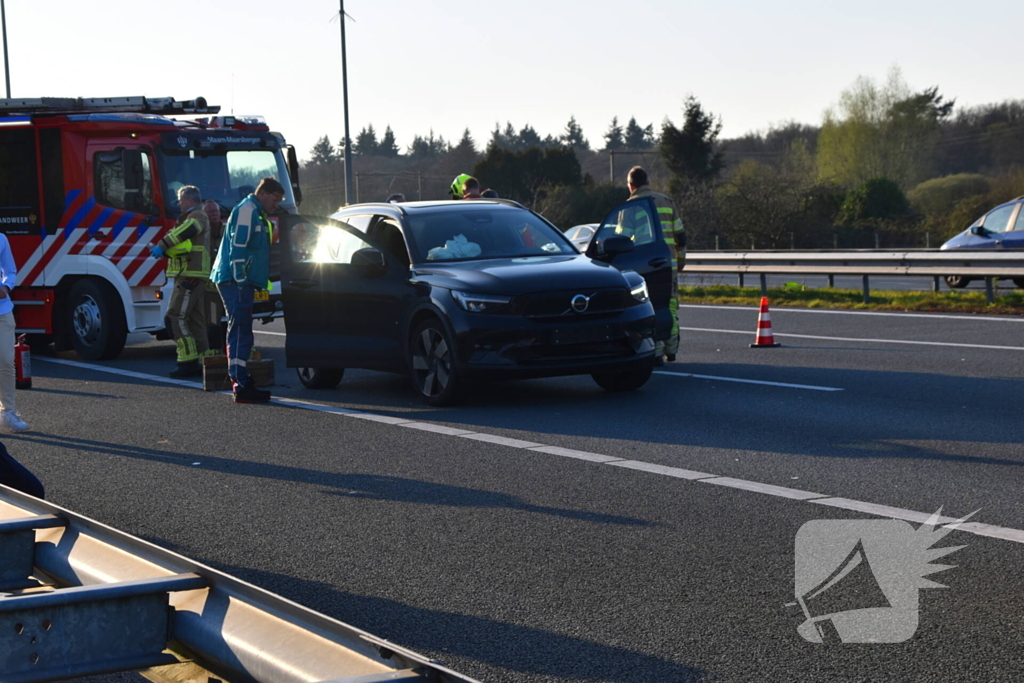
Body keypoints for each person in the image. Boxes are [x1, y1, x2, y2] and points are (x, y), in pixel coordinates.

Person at [211, 177, 285, 403]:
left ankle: (241, 381)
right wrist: (241, 278)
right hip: (236, 281)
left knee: (241, 329)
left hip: (239, 280)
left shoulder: (255, 212)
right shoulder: (247, 210)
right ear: (262, 193)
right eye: (275, 199)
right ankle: (241, 384)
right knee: (241, 330)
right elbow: (238, 247)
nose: (276, 204)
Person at [150, 186, 211, 378]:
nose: (178, 204)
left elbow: (185, 233)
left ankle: (188, 361)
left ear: (190, 200)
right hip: (190, 274)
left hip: (190, 276)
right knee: (194, 319)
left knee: (175, 316)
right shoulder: (189, 217)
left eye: (180, 200)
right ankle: (203, 360)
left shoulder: (197, 217)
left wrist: (162, 245)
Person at [626, 166, 685, 365]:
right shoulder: (666, 201)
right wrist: (681, 261)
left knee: (648, 307)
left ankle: (656, 352)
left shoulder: (630, 207)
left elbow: (621, 238)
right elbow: (681, 236)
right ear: (648, 182)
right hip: (668, 264)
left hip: (644, 265)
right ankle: (671, 349)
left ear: (631, 185)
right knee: (669, 305)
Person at [0, 234, 28, 432]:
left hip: (2, 310)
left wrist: (6, 286)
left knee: (6, 361)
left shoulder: (1, 238)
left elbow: (10, 270)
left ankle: (7, 413)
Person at [202, 200, 227, 353]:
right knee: (212, 321)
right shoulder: (201, 235)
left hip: (228, 284)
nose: (214, 214)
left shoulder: (228, 231)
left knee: (233, 319)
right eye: (210, 212)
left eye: (216, 211)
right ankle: (215, 352)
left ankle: (229, 351)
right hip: (210, 290)